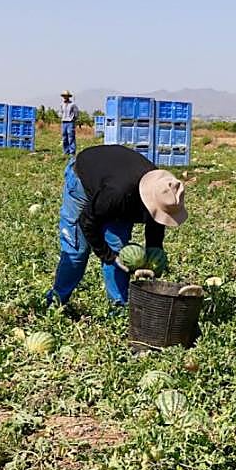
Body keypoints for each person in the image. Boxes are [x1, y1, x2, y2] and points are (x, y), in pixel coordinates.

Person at [46, 144, 187, 308]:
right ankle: (54, 304)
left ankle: (118, 307)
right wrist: (107, 256)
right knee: (77, 252)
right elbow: (88, 222)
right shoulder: (117, 195)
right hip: (83, 182)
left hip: (115, 186)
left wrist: (153, 254)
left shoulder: (163, 188)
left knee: (119, 250)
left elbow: (156, 222)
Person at [59, 90, 78, 155]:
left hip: (70, 122)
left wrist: (73, 119)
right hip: (63, 122)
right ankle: (65, 151)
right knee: (64, 137)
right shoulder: (61, 104)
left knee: (71, 136)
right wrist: (61, 117)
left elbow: (76, 113)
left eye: (66, 96)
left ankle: (72, 152)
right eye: (64, 96)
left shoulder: (72, 104)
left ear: (68, 96)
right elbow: (60, 112)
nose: (65, 97)